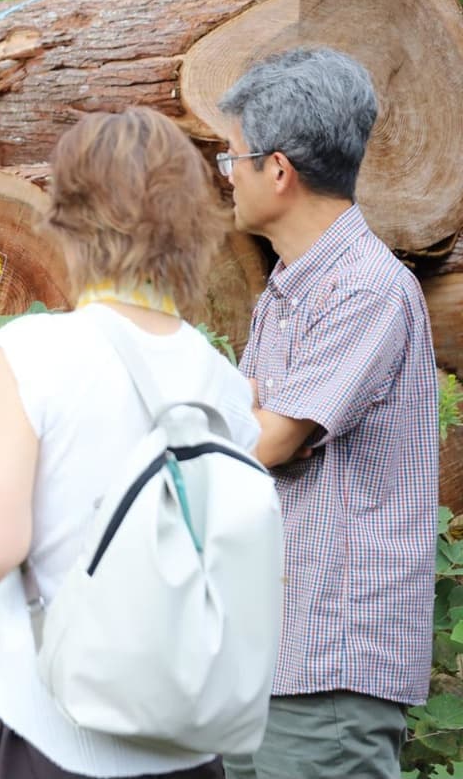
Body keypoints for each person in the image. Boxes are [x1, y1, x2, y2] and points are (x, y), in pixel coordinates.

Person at [0, 107, 259, 779]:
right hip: (189, 749)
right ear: (192, 224)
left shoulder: (34, 351)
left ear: (67, 216)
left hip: (51, 739)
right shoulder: (225, 386)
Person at [215, 48, 437, 779]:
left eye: (232, 158)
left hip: (330, 666)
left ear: (278, 170)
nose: (227, 177)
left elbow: (265, 438)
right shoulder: (287, 288)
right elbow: (243, 421)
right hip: (270, 658)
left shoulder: (366, 287)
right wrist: (252, 418)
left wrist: (261, 423)